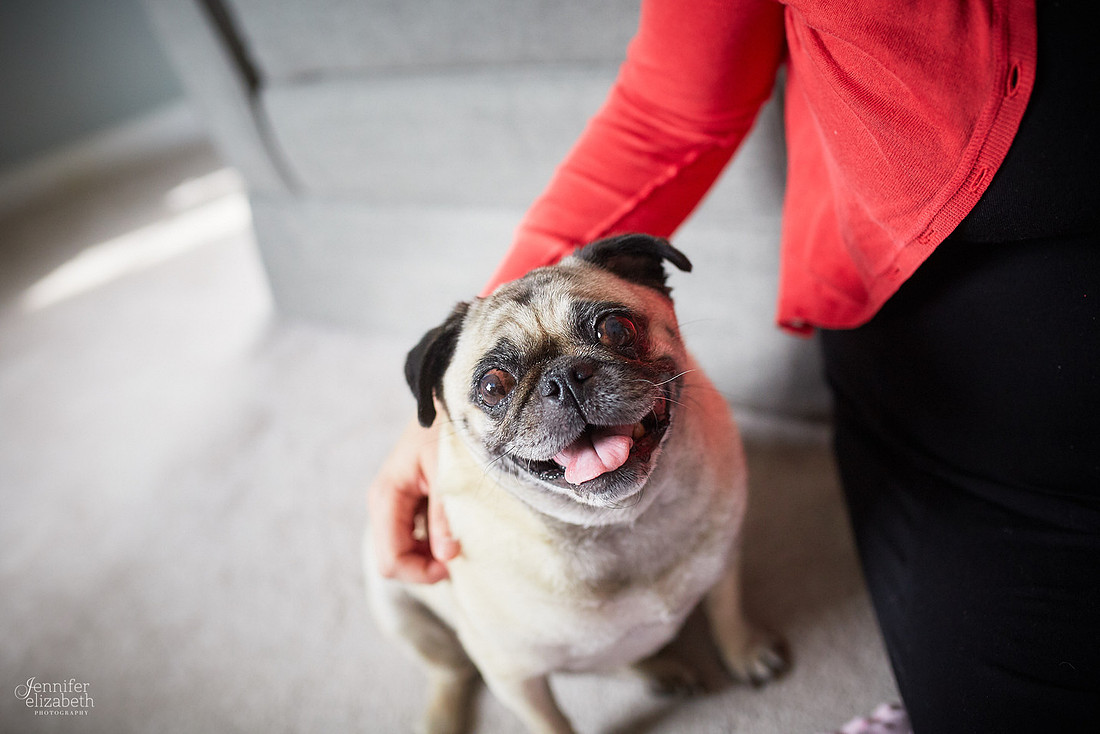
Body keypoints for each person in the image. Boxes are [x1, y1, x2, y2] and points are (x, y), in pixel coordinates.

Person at [368, 0, 1100, 731]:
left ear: (661, 292)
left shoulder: (712, 440)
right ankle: (446, 677)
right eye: (498, 386)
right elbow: (671, 107)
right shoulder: (460, 494)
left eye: (613, 331)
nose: (567, 386)